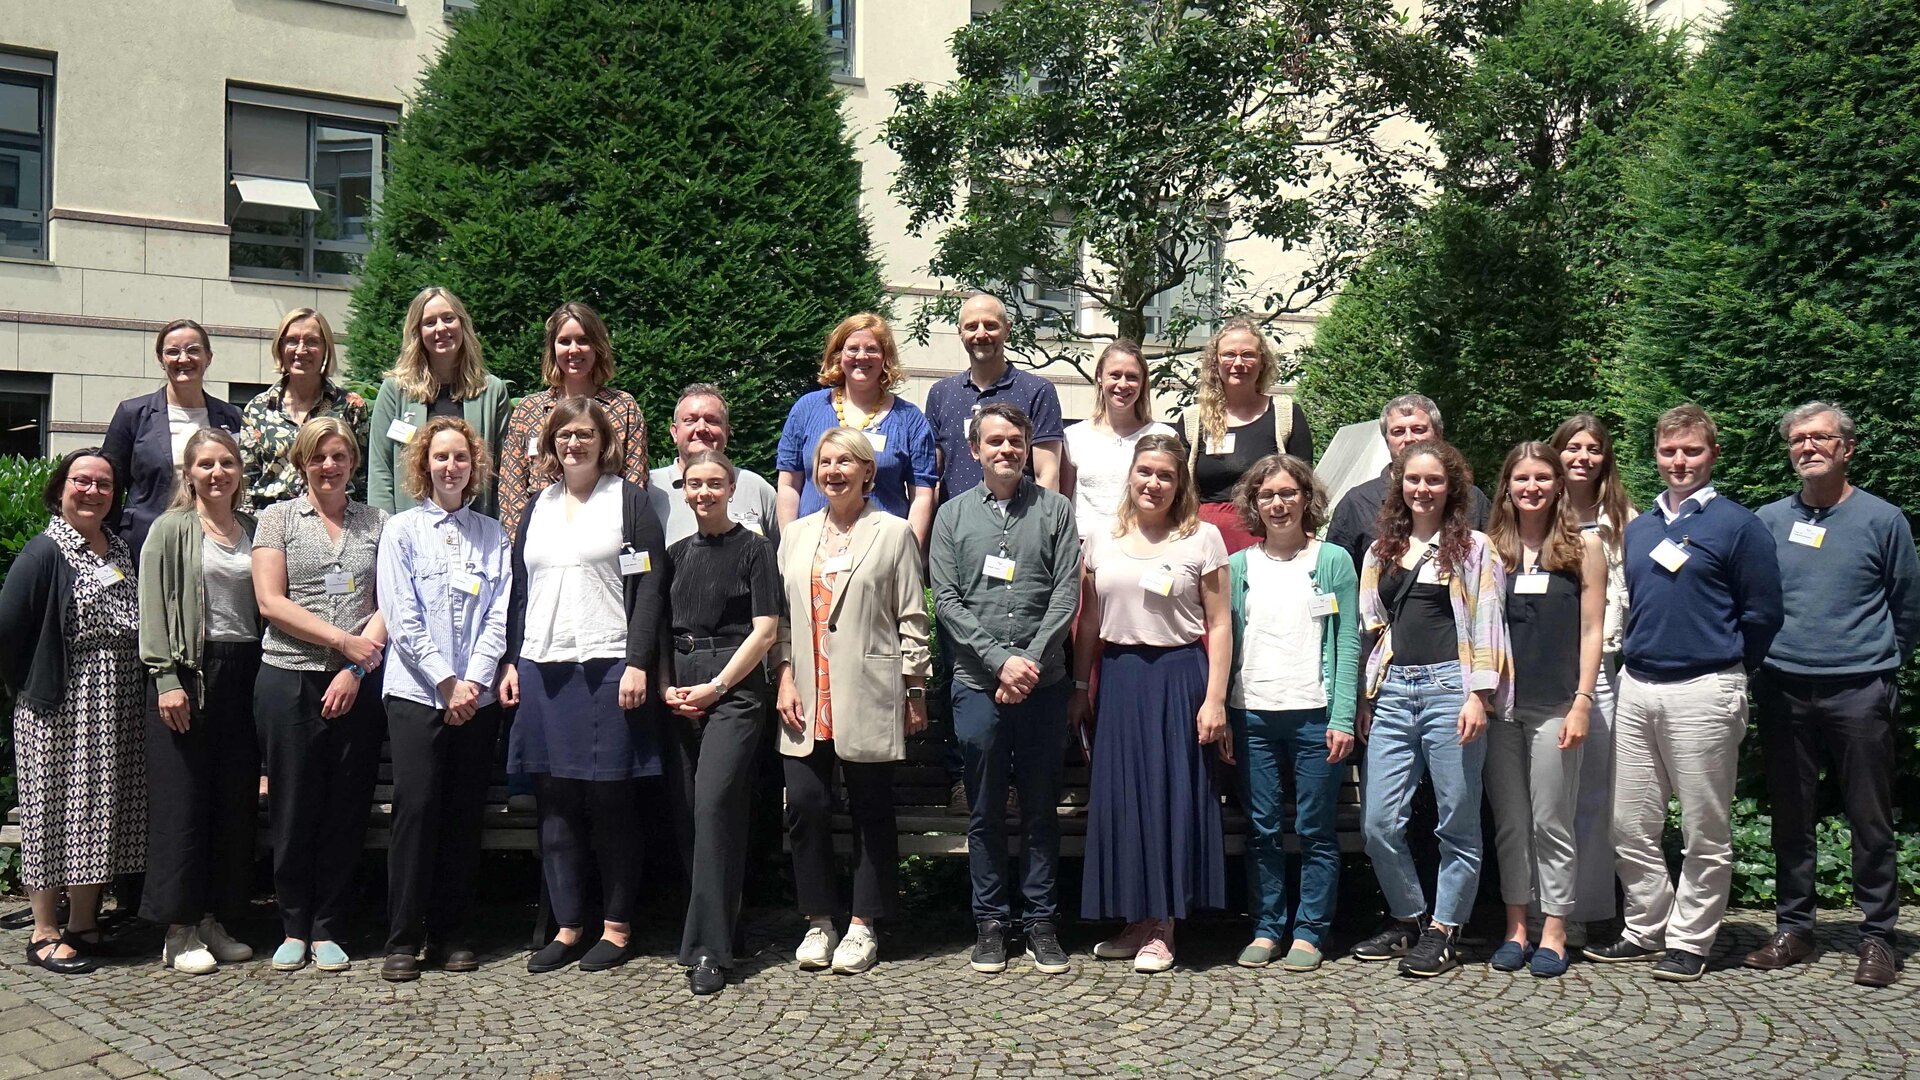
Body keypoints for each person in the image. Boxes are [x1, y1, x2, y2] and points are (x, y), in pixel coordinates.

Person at [1585, 404, 1782, 983]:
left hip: (1705, 689)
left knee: (1704, 826)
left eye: (1691, 451)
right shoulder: (1641, 527)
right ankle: (1646, 926)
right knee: (1630, 822)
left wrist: (1729, 670)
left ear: (1712, 454)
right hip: (1639, 685)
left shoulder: (1738, 526)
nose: (1680, 461)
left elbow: (1763, 613)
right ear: (1656, 454)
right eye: (1669, 451)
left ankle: (1692, 939)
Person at [1745, 402, 1918, 988]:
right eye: (1798, 439)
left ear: (1847, 448)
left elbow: (1906, 606)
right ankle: (1794, 927)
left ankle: (1879, 938)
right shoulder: (1766, 520)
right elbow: (1753, 601)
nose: (1808, 447)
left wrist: (1878, 665)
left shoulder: (1882, 519)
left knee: (1870, 816)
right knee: (1791, 815)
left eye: (1820, 438)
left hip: (1859, 689)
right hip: (1784, 687)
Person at [501, 396, 671, 975]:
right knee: (555, 802)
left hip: (607, 666)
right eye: (564, 436)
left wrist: (638, 662)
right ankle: (569, 925)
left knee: (610, 800)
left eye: (585, 435)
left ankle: (618, 928)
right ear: (550, 445)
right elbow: (521, 592)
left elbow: (648, 588)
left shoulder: (628, 501)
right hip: (543, 667)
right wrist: (510, 662)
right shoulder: (536, 508)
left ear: (604, 442)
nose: (574, 444)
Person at [772, 427, 930, 976]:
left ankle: (863, 924)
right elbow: (783, 621)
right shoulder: (794, 535)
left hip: (869, 688)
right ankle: (819, 920)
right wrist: (784, 677)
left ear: (868, 472)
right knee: (807, 808)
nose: (834, 470)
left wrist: (915, 688)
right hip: (805, 693)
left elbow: (912, 615)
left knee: (870, 810)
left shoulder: (892, 533)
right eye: (825, 461)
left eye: (846, 462)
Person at [930, 404, 1081, 977]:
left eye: (1015, 441)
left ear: (1026, 447)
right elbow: (945, 599)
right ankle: (991, 921)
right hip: (976, 683)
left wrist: (1031, 663)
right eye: (994, 441)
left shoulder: (1056, 510)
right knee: (986, 808)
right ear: (974, 450)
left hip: (1044, 685)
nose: (1006, 450)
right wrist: (999, 663)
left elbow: (1065, 593)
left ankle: (1041, 920)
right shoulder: (951, 516)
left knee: (1042, 805)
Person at [1071, 433, 1231, 973]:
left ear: (1179, 482)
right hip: (1119, 678)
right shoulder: (1101, 538)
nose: (1154, 483)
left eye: (1165, 474)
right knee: (1123, 800)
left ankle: (1164, 924)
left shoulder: (1202, 538)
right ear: (1131, 476)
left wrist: (1215, 698)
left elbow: (1220, 622)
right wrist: (1078, 687)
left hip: (1178, 677)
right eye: (1145, 472)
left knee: (1169, 798)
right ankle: (1136, 917)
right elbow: (1089, 620)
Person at [1350, 439, 1509, 978]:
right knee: (1378, 822)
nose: (1423, 490)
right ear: (1399, 485)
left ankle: (1445, 930)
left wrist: (1477, 695)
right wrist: (1366, 698)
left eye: (1434, 481)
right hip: (1393, 691)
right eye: (1414, 480)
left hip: (1451, 688)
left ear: (1452, 488)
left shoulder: (1475, 548)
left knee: (1457, 820)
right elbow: (1371, 629)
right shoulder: (1380, 552)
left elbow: (1488, 621)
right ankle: (1410, 917)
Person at [374, 417, 511, 983]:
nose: (450, 466)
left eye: (460, 457)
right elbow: (402, 617)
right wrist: (444, 682)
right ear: (423, 465)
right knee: (417, 810)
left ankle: (455, 932)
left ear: (473, 465)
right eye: (440, 457)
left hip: (474, 700)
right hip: (415, 693)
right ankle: (403, 936)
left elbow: (500, 613)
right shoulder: (401, 531)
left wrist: (472, 681)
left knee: (461, 815)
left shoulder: (493, 535)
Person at [251, 417, 389, 974]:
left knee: (345, 805)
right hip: (289, 677)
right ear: (300, 462)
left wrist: (354, 669)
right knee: (292, 804)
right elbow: (270, 601)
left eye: (338, 456)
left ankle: (330, 925)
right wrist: (342, 642)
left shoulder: (379, 521)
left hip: (355, 683)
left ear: (353, 462)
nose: (329, 467)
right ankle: (293, 924)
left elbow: (395, 600)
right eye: (317, 457)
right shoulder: (276, 518)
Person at [0, 450, 146, 975]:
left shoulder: (120, 550)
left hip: (116, 706)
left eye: (103, 483)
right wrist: (31, 686)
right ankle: (43, 929)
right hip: (58, 707)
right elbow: (8, 628)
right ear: (60, 489)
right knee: (52, 812)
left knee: (97, 813)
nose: (92, 491)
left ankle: (85, 920)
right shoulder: (44, 551)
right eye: (81, 481)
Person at [1224, 454, 1359, 973]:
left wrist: (1343, 716)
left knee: (1315, 827)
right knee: (1260, 827)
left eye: (1287, 493)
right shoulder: (1239, 566)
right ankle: (1266, 926)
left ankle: (1310, 931)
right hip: (1252, 713)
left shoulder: (1331, 561)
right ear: (1254, 504)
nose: (1278, 504)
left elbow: (1347, 643)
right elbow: (1225, 642)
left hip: (1315, 714)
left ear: (1307, 498)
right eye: (1267, 496)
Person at [137, 429, 261, 974]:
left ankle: (215, 917)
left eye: (226, 463)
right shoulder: (171, 530)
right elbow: (152, 606)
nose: (217, 473)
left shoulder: (256, 531)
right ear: (189, 473)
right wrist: (165, 677)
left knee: (231, 805)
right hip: (188, 672)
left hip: (245, 672)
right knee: (182, 806)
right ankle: (179, 927)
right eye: (206, 464)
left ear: (240, 471)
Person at [1482, 443, 1605, 978]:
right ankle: (1516, 926)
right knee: (1510, 823)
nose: (1531, 487)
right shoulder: (1488, 550)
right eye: (1520, 478)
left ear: (1558, 485)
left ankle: (1555, 926)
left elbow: (1592, 629)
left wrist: (1583, 701)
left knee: (1551, 819)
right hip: (1499, 708)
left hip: (1557, 703)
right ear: (1506, 486)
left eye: (1541, 478)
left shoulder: (1584, 548)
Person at [661, 450, 780, 996]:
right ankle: (719, 925)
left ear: (732, 488)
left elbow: (764, 632)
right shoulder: (675, 553)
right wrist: (668, 687)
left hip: (732, 692)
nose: (704, 492)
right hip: (680, 689)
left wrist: (716, 688)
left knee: (712, 805)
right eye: (694, 484)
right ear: (683, 491)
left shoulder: (755, 550)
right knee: (691, 816)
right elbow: (655, 628)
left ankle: (708, 949)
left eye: (715, 483)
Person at [1549, 412, 1636, 941]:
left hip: (1601, 668)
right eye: (1572, 447)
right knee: (1546, 796)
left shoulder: (1626, 519)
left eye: (1594, 448)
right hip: (1540, 671)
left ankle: (1590, 908)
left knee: (1596, 796)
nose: (1582, 457)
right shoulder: (1534, 511)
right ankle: (1546, 908)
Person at [775, 313, 938, 548]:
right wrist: (789, 547)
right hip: (813, 547)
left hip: (882, 551)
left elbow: (922, 495)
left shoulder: (909, 419)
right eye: (852, 349)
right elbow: (789, 484)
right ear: (839, 355)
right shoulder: (807, 409)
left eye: (872, 349)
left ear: (885, 358)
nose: (862, 356)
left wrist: (908, 551)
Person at [497, 302, 648, 541]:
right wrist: (521, 549)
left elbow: (635, 483)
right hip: (543, 539)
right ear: (552, 348)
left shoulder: (623, 407)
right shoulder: (529, 410)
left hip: (605, 538)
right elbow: (511, 489)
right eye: (564, 341)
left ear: (598, 347)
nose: (574, 350)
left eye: (583, 340)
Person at [103, 318, 244, 559]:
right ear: (161, 359)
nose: (183, 359)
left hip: (212, 544)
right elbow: (110, 485)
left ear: (209, 357)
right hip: (144, 545)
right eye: (173, 352)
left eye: (193, 350)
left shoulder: (233, 417)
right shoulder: (132, 414)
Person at [367, 286, 513, 517]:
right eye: (430, 322)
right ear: (417, 332)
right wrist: (385, 531)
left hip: (476, 529)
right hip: (409, 528)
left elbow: (504, 471)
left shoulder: (492, 391)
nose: (441, 328)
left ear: (462, 324)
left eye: (448, 318)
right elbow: (380, 468)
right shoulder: (395, 391)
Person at [1185, 318, 1313, 553]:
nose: (1238, 363)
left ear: (1262, 361)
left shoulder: (1285, 415)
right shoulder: (1192, 421)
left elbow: (1306, 487)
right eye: (1229, 355)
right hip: (1204, 542)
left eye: (1248, 354)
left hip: (1268, 539)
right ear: (1216, 362)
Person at [923, 293, 1065, 503]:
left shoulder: (1038, 391)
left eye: (990, 325)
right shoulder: (941, 393)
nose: (981, 334)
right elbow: (932, 475)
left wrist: (1042, 528)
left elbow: (1047, 474)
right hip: (955, 527)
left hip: (1019, 523)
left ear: (1007, 329)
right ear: (960, 332)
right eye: (972, 327)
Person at [1325, 394, 1490, 573]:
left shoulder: (1472, 499)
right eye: (1398, 432)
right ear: (1387, 440)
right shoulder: (1357, 503)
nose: (1409, 438)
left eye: (1418, 429)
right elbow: (1336, 577)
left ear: (1438, 434)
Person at [239, 308, 370, 510]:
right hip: (270, 523)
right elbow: (246, 482)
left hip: (334, 521)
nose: (301, 350)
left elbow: (362, 478)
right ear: (280, 347)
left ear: (326, 348)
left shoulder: (350, 406)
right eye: (292, 340)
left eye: (312, 341)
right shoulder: (258, 409)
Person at [1061, 340, 1176, 546]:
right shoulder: (1073, 437)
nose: (1122, 384)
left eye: (1132, 377)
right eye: (1115, 375)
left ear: (1142, 383)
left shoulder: (1164, 436)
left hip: (1145, 545)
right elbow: (1063, 501)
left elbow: (1177, 500)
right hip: (1084, 548)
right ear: (1099, 377)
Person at [647, 383, 780, 546]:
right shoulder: (649, 489)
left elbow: (779, 558)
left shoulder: (757, 489)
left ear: (726, 431)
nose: (701, 428)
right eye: (690, 420)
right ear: (674, 432)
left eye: (712, 421)